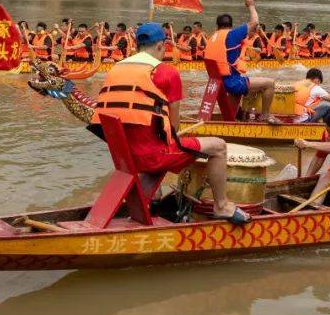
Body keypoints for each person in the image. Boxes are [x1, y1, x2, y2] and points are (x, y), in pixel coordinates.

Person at [88, 22, 249, 225]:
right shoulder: (167, 72)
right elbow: (174, 127)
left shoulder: (116, 68)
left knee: (153, 140)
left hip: (124, 158)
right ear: (160, 46)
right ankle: (222, 206)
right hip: (152, 157)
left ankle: (151, 203)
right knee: (218, 146)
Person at [204, 0, 279, 123]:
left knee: (240, 90)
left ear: (217, 26)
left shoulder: (212, 37)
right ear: (231, 25)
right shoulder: (232, 34)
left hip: (217, 83)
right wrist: (251, 5)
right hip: (231, 83)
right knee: (269, 83)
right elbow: (255, 22)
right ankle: (265, 115)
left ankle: (231, 120)